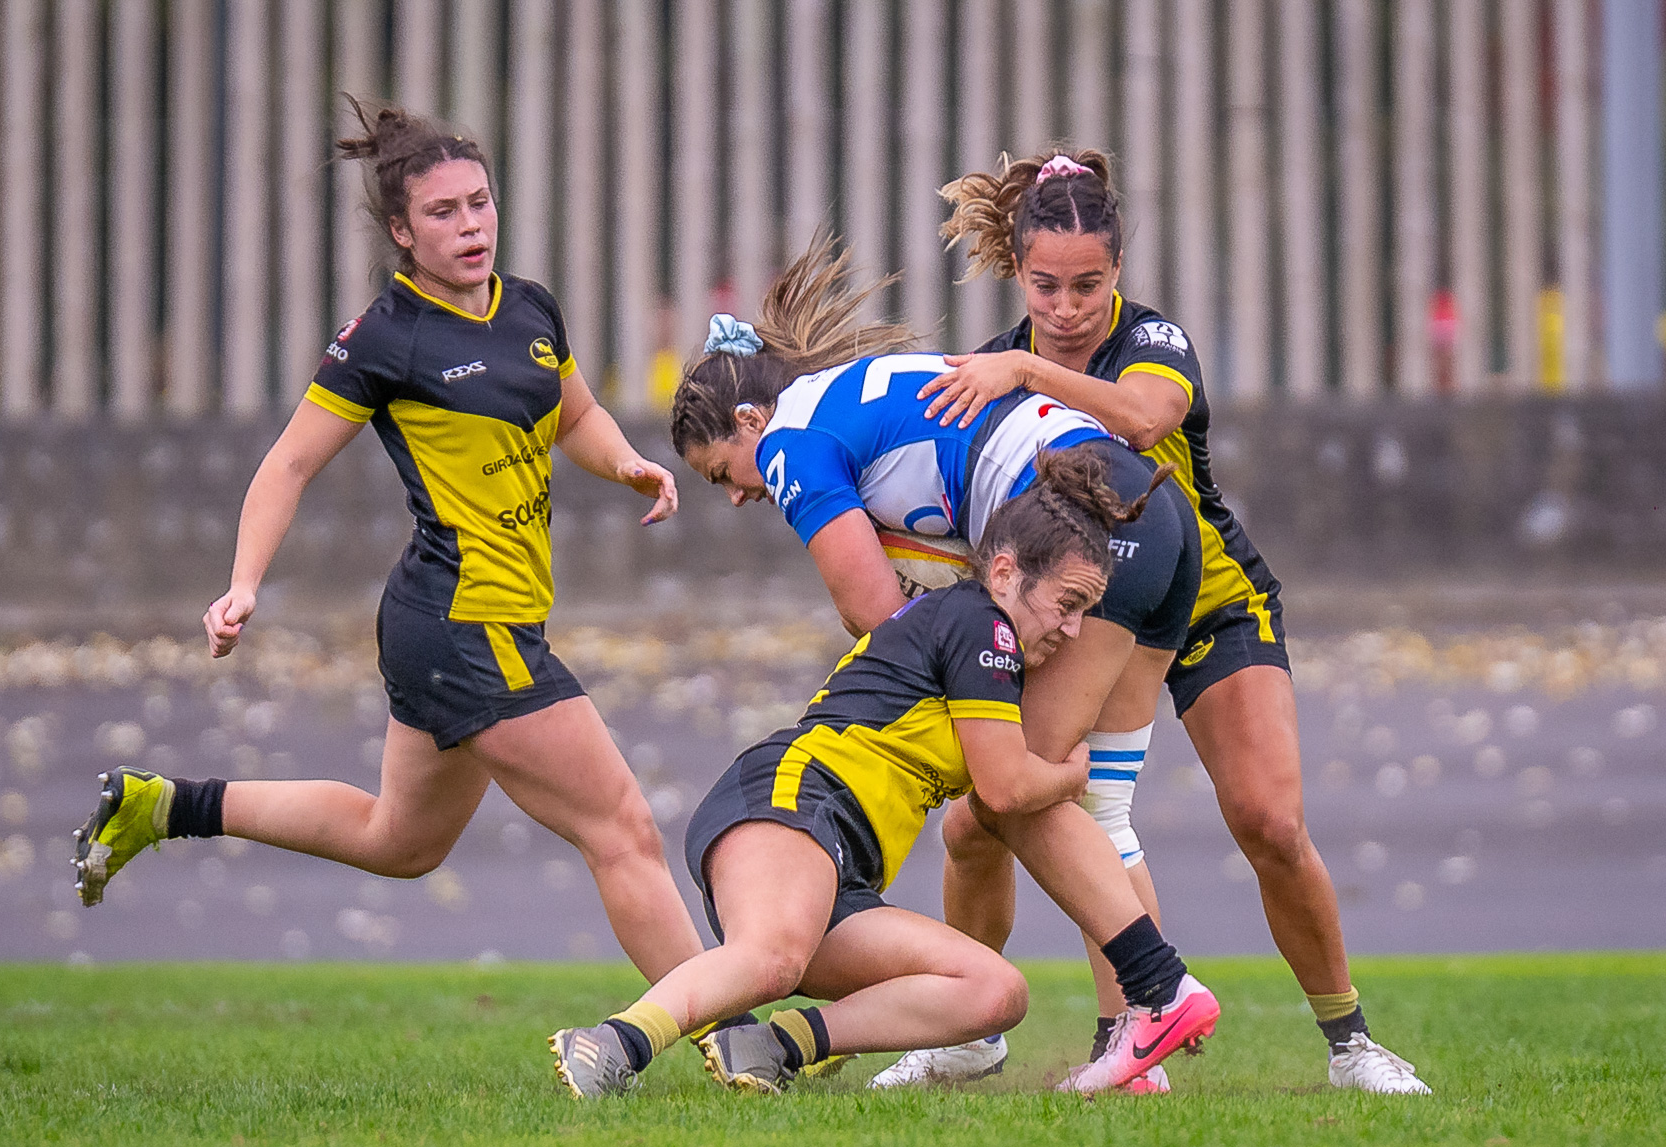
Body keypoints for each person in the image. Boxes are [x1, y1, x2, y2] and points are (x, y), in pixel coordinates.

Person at [70, 99, 704, 986]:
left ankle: (163, 806)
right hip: (460, 624)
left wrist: (628, 463)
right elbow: (287, 467)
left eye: (479, 203)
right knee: (624, 829)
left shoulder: (528, 308)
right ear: (403, 232)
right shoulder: (384, 340)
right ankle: (730, 1034)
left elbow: (578, 414)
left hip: (470, 622)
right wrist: (243, 583)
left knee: (399, 842)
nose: (470, 225)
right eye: (443, 213)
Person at [914, 148, 1430, 1094]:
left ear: (1119, 274)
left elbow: (1144, 422)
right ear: (1016, 270)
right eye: (1045, 286)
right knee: (981, 821)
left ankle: (1351, 1044)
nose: (1067, 308)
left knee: (1270, 823)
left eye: (1089, 285)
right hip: (1084, 614)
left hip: (1209, 604)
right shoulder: (989, 368)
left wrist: (1026, 367)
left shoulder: (1151, 344)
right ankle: (971, 1032)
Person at [669, 239, 1203, 1092]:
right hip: (1152, 518)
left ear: (746, 425)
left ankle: (1156, 996)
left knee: (1014, 787)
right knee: (1027, 810)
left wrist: (922, 677)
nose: (740, 492)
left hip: (1089, 527)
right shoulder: (850, 398)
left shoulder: (789, 441)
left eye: (721, 474)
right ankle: (1071, 1042)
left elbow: (871, 610)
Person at [550, 448, 1219, 1099]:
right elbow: (1006, 789)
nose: (1074, 631)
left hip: (840, 865)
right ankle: (611, 1043)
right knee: (773, 957)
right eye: (1068, 603)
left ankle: (773, 1047)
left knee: (994, 992)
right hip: (790, 804)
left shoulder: (986, 636)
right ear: (1007, 572)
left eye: (1085, 610)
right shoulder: (981, 624)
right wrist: (1072, 777)